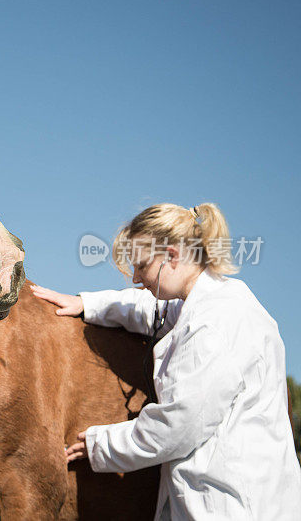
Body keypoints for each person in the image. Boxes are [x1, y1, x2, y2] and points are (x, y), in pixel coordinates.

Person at [32, 203, 301, 520]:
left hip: (231, 509)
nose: (134, 278)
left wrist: (98, 444)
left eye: (142, 266)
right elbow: (149, 309)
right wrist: (87, 303)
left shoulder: (214, 326)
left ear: (172, 256)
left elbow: (177, 427)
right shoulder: (217, 300)